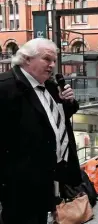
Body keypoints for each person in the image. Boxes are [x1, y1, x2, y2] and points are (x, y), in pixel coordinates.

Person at [0, 38, 81, 224]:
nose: (52, 65)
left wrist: (68, 102)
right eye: (47, 59)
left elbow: (53, 120)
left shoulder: (50, 86)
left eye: (54, 60)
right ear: (27, 59)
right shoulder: (5, 87)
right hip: (20, 186)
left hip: (49, 177)